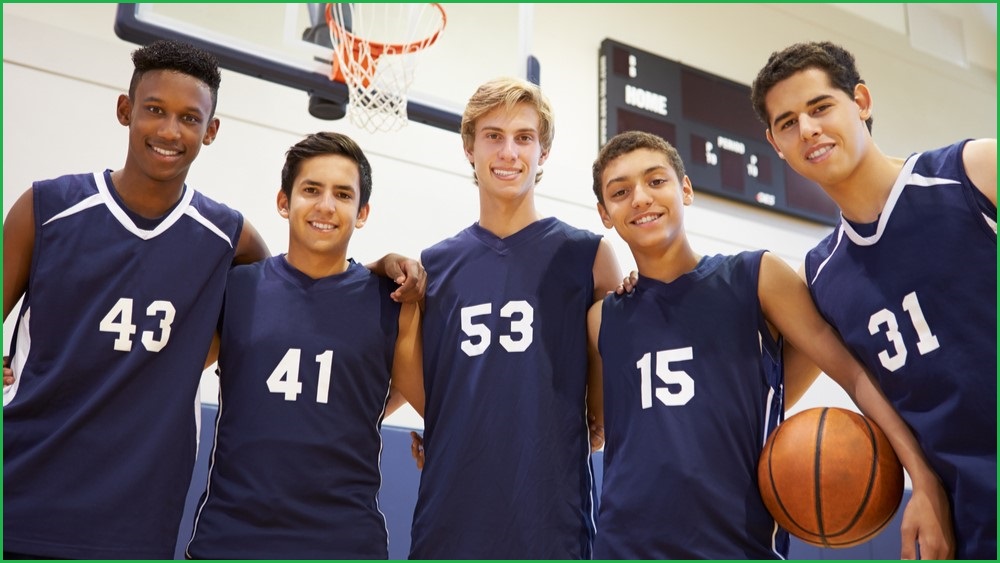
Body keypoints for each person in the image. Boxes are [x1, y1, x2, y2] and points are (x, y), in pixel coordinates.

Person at [1, 41, 420, 559]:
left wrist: (379, 269)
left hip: (136, 524)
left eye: (189, 117)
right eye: (154, 110)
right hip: (21, 496)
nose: (170, 131)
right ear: (124, 110)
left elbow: (302, 308)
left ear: (211, 130)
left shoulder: (228, 239)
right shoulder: (47, 208)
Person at [587, 130, 952, 559]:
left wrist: (923, 480)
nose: (641, 198)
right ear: (604, 214)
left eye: (656, 181)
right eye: (621, 191)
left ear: (685, 189)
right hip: (623, 547)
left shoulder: (756, 277)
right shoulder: (602, 320)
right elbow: (598, 431)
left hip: (738, 545)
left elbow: (854, 374)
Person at [751, 41, 996, 559]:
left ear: (860, 101)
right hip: (971, 522)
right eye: (788, 122)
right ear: (775, 143)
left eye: (820, 107)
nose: (809, 130)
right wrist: (923, 482)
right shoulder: (821, 277)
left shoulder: (972, 171)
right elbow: (779, 396)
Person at [407, 77, 623, 559]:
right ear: (469, 148)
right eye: (493, 136)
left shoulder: (588, 255)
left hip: (550, 522)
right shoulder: (435, 266)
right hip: (449, 521)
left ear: (542, 152)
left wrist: (597, 422)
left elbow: (609, 385)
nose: (509, 152)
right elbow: (414, 382)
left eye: (524, 137)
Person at [184, 132, 424, 559]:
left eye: (343, 194)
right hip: (230, 542)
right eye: (311, 189)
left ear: (362, 212)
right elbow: (158, 372)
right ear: (283, 201)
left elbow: (436, 402)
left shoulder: (390, 301)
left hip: (344, 545)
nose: (326, 206)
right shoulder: (235, 289)